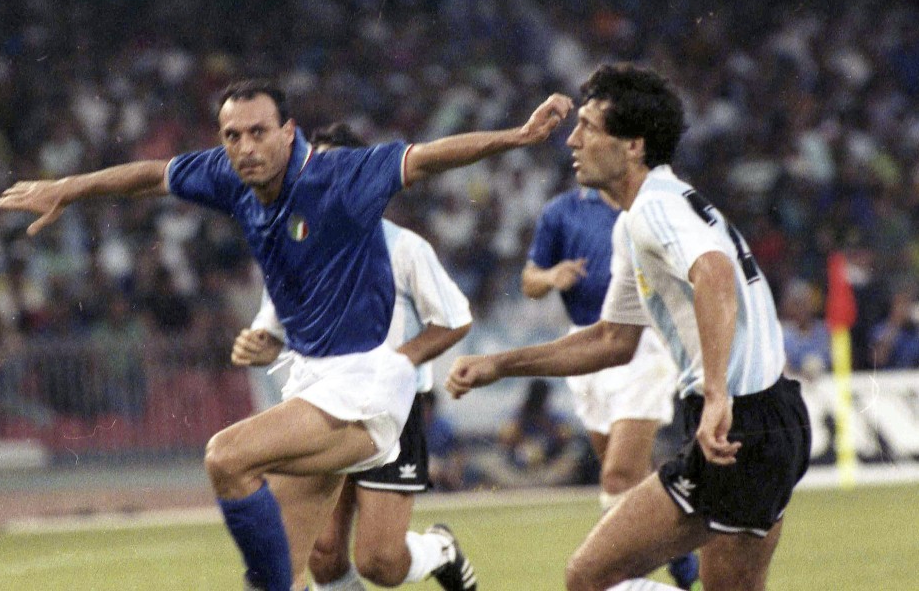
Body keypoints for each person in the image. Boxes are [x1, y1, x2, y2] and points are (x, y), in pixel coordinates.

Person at [0, 78, 572, 591]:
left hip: (369, 386)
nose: (245, 147)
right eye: (231, 135)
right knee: (301, 571)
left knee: (229, 458)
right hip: (312, 383)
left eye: (258, 132)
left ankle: (430, 550)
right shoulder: (231, 176)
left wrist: (516, 138)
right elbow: (151, 176)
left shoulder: (339, 176)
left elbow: (427, 159)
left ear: (288, 131)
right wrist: (67, 189)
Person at [446, 64, 811, 591]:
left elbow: (714, 273)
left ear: (634, 146)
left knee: (591, 576)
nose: (572, 139)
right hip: (768, 416)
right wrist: (500, 364)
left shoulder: (653, 211)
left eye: (590, 127)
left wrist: (715, 395)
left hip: (742, 424)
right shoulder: (644, 216)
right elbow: (612, 341)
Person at [230, 123, 475, 591]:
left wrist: (397, 364)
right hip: (322, 406)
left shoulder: (404, 247)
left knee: (380, 563)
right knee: (321, 556)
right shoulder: (291, 247)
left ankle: (439, 548)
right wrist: (259, 344)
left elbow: (455, 318)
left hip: (390, 412)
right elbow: (272, 327)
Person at [522, 180, 699, 589]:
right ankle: (681, 549)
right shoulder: (560, 212)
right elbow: (528, 280)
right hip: (585, 349)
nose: (577, 145)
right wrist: (550, 277)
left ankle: (608, 576)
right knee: (627, 477)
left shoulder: (643, 204)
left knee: (617, 478)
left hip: (640, 344)